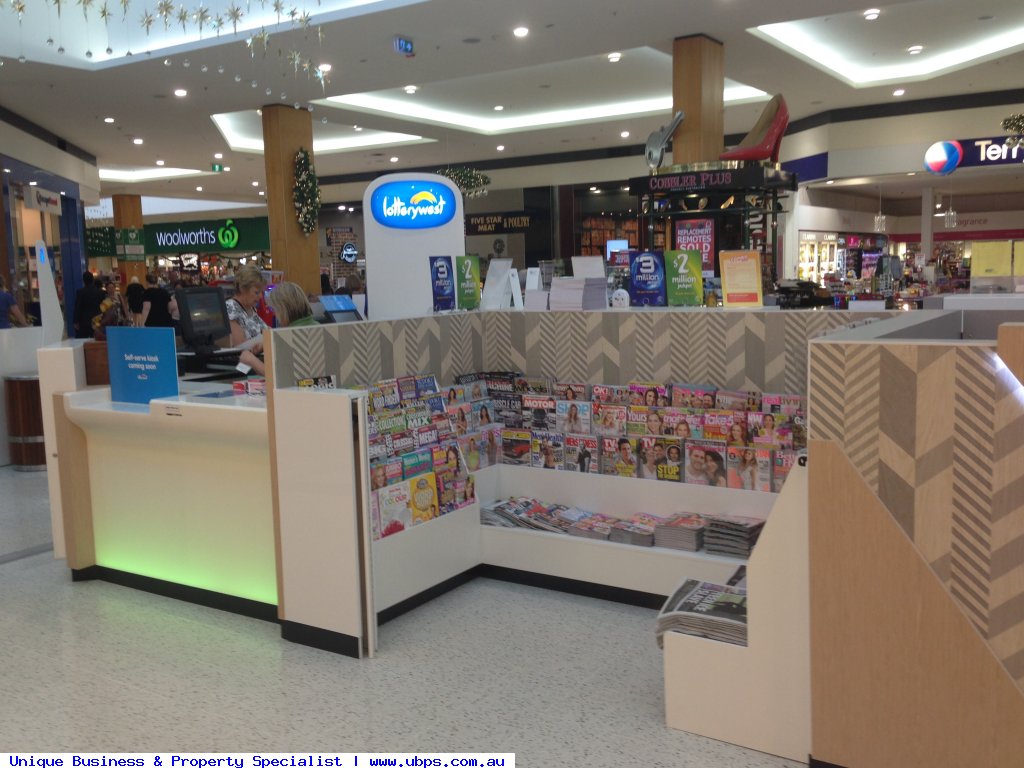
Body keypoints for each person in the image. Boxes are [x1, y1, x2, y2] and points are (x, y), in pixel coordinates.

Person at [226, 265, 268, 346]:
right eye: (256, 292)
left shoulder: (251, 308)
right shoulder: (231, 308)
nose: (260, 296)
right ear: (242, 289)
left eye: (261, 292)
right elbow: (241, 346)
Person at [73, 271, 105, 338]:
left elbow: (78, 307)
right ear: (93, 279)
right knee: (96, 339)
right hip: (97, 320)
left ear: (83, 280)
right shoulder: (100, 292)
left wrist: (75, 321)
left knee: (83, 340)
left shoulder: (80, 292)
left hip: (84, 321)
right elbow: (104, 307)